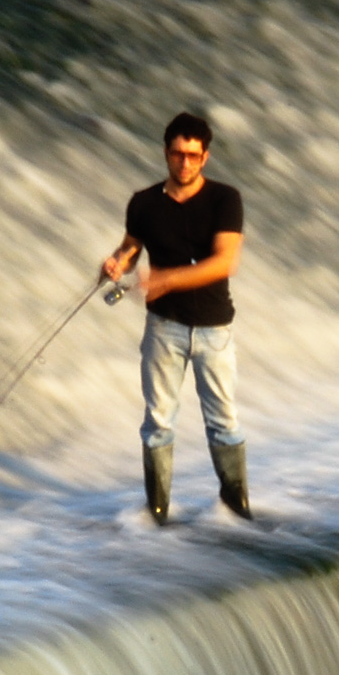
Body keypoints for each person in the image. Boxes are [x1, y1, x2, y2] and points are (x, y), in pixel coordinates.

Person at [100, 111, 250, 525]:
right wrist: (116, 263)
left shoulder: (225, 200)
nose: (184, 163)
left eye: (193, 155)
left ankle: (238, 511)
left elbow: (226, 263)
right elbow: (131, 247)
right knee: (158, 424)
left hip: (214, 329)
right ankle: (158, 516)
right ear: (165, 153)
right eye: (177, 154)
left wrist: (166, 278)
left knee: (223, 422)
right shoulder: (144, 203)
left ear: (206, 157)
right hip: (163, 328)